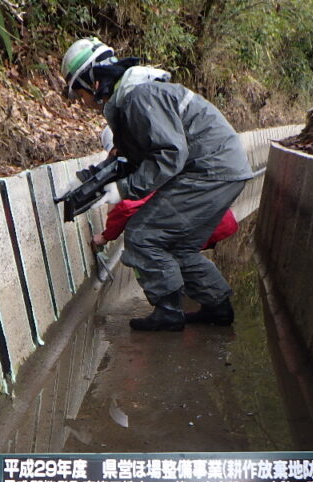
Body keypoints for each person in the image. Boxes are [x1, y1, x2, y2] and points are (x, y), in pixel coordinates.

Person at [60, 37, 253, 330]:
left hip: (209, 170)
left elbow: (170, 154)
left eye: (78, 93)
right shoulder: (133, 97)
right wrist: (90, 179)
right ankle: (217, 306)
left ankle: (168, 312)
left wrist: (123, 189)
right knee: (179, 246)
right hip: (221, 168)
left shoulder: (140, 96)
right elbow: (136, 156)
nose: (81, 102)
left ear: (93, 82)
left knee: (142, 233)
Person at [90, 128, 239, 258]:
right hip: (215, 219)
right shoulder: (161, 151)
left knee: (142, 244)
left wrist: (105, 237)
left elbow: (126, 207)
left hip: (203, 225)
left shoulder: (147, 167)